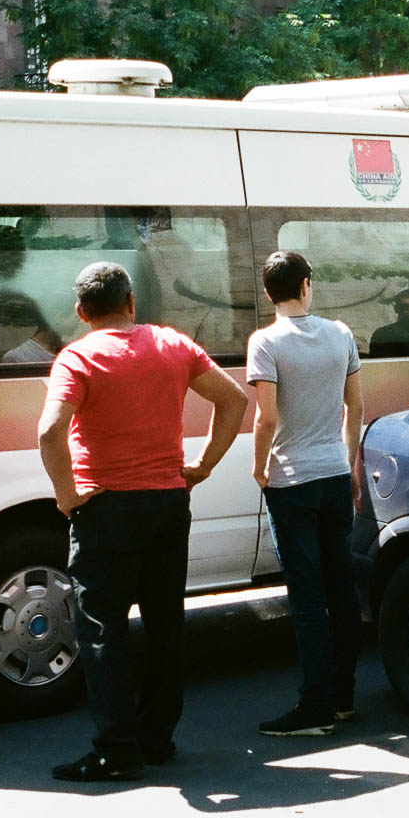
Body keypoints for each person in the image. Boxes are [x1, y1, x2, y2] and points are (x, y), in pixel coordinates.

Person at [37, 261, 247, 783]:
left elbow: (49, 433)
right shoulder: (172, 344)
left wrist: (67, 497)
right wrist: (202, 465)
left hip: (105, 508)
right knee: (164, 625)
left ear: (82, 312)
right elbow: (234, 399)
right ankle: (157, 739)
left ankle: (116, 750)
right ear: (131, 302)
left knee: (102, 629)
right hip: (167, 505)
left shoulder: (77, 357)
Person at [247, 249, 364, 737]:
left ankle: (313, 708)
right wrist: (350, 463)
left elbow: (266, 417)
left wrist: (259, 467)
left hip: (292, 481)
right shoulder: (341, 334)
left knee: (307, 597)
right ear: (306, 285)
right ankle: (342, 698)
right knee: (342, 590)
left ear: (269, 293)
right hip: (335, 475)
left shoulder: (265, 342)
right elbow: (354, 408)